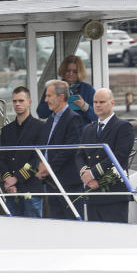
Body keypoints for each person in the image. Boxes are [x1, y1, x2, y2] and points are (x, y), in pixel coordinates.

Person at [76, 87, 135, 223]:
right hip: (92, 192)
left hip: (113, 193)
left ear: (112, 103)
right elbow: (79, 155)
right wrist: (86, 175)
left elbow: (119, 157)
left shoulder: (123, 127)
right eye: (95, 102)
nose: (97, 105)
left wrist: (93, 174)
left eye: (102, 102)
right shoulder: (88, 129)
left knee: (115, 239)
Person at [37, 79, 84, 219]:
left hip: (68, 183)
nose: (46, 100)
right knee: (56, 225)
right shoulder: (50, 119)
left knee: (72, 224)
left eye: (49, 95)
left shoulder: (73, 119)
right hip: (51, 183)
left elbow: (70, 149)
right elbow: (44, 146)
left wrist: (48, 167)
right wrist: (40, 165)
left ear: (61, 97)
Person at [0, 86, 47, 217]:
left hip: (31, 188)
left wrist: (17, 178)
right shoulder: (6, 130)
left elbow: (37, 159)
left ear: (29, 102)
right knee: (13, 231)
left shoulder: (40, 127)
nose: (17, 104)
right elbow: (2, 159)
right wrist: (8, 179)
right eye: (15, 101)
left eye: (21, 101)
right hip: (11, 190)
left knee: (34, 231)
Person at [37, 56, 97, 124]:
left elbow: (97, 116)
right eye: (68, 70)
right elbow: (41, 114)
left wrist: (84, 106)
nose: (71, 73)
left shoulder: (87, 89)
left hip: (80, 132)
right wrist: (53, 103)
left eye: (75, 71)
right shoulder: (53, 87)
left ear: (80, 72)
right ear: (63, 70)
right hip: (58, 131)